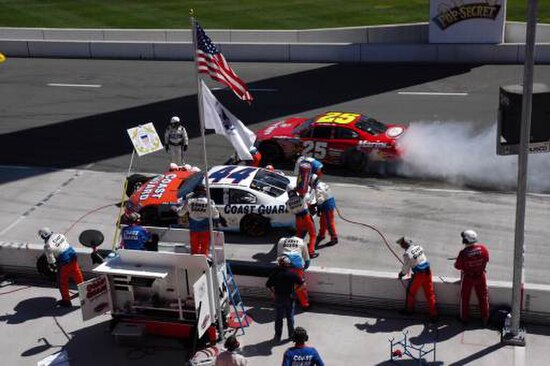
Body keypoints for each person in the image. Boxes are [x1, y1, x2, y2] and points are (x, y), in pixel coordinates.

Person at [39, 227, 84, 307]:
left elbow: (51, 260)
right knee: (77, 275)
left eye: (41, 236)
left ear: (44, 236)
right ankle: (84, 292)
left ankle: (66, 301)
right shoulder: (60, 235)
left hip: (64, 261)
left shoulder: (47, 245)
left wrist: (53, 266)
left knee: (62, 282)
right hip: (73, 256)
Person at [397, 237, 438, 321]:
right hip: (428, 272)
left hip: (419, 275)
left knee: (411, 293)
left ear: (403, 245)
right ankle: (434, 315)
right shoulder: (419, 247)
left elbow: (406, 268)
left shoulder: (407, 254)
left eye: (401, 246)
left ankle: (409, 310)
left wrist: (401, 274)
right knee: (430, 294)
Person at [454, 229, 490, 325]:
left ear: (466, 240)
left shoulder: (463, 253)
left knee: (464, 298)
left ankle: (464, 319)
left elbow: (457, 266)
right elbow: (486, 260)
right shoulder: (484, 249)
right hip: (481, 276)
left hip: (468, 278)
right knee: (483, 297)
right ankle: (485, 319)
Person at [266, 256, 304, 342]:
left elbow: (268, 285)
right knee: (290, 317)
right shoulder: (292, 274)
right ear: (288, 264)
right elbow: (302, 284)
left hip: (278, 298)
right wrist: (295, 291)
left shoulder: (274, 274)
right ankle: (291, 335)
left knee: (278, 318)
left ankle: (277, 336)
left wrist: (273, 293)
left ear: (279, 264)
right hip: (289, 298)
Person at [177, 183, 221, 256]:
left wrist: (176, 209)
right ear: (204, 191)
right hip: (205, 228)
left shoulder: (190, 201)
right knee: (205, 247)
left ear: (195, 192)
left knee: (194, 248)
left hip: (194, 228)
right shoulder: (209, 202)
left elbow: (181, 213)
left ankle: (195, 263)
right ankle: (204, 263)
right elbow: (216, 215)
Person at [277, 236, 311, 309]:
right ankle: (305, 304)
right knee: (300, 285)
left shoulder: (281, 241)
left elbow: (279, 255)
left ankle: (285, 301)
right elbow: (307, 258)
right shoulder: (301, 241)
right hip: (297, 267)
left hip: (284, 266)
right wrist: (304, 267)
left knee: (284, 285)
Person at [286, 185, 318, 258]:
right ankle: (311, 252)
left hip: (298, 219)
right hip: (306, 217)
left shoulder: (287, 203)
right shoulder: (301, 197)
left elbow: (290, 211)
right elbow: (309, 197)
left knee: (299, 235)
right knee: (313, 235)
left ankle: (295, 250)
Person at [311, 175, 338, 247]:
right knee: (323, 221)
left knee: (329, 223)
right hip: (328, 202)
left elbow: (320, 200)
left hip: (327, 206)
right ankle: (321, 234)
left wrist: (318, 211)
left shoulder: (318, 188)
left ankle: (334, 238)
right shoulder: (322, 184)